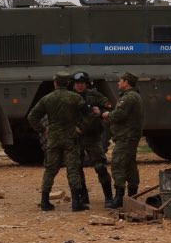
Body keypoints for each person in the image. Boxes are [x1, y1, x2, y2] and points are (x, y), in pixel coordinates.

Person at [27, 71, 87, 212]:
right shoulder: (75, 98)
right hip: (70, 138)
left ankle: (45, 201)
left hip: (53, 139)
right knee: (73, 169)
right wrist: (81, 128)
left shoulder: (47, 99)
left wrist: (43, 129)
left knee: (50, 169)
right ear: (68, 83)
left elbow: (32, 116)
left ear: (55, 83)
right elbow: (88, 114)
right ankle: (76, 203)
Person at [103, 72, 144, 209]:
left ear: (126, 82)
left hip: (125, 137)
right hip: (129, 137)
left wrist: (107, 114)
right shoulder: (134, 96)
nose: (118, 83)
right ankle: (132, 197)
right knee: (130, 165)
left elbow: (119, 114)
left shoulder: (128, 97)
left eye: (120, 81)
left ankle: (119, 198)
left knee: (118, 164)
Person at [72, 71, 113, 207]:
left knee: (100, 166)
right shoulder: (69, 98)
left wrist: (100, 112)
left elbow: (109, 107)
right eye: (77, 83)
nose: (79, 86)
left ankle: (108, 197)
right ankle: (83, 197)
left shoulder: (94, 95)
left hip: (93, 137)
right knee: (76, 168)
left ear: (86, 84)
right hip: (76, 138)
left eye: (82, 83)